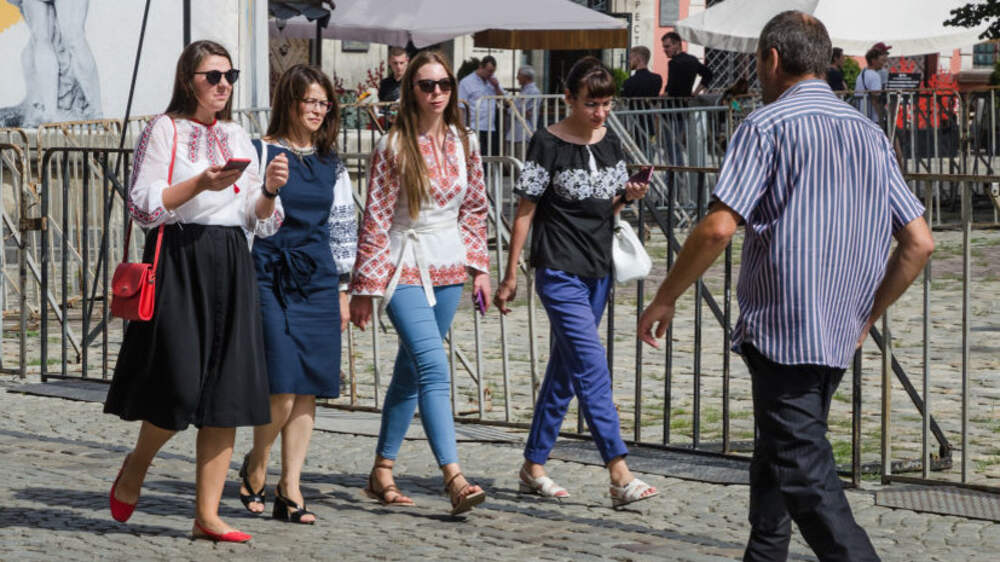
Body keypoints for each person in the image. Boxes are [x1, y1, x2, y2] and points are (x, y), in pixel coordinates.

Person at [638, 11, 933, 561]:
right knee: (779, 451)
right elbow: (919, 242)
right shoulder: (870, 133)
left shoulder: (766, 125)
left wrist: (665, 295)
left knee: (803, 470)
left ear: (772, 58)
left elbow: (719, 227)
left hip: (786, 326)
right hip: (838, 327)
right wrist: (868, 314)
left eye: (757, 61)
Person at [104, 40, 287, 543]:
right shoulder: (164, 129)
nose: (224, 84)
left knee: (227, 392)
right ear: (189, 80)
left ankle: (207, 516)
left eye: (230, 75)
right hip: (179, 258)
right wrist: (200, 185)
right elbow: (143, 205)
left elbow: (258, 219)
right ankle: (137, 464)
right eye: (213, 76)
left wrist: (269, 192)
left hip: (231, 259)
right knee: (180, 385)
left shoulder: (237, 134)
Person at [494, 56, 658, 509]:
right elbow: (526, 208)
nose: (600, 113)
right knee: (591, 364)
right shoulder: (546, 142)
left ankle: (533, 465)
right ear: (569, 99)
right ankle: (619, 472)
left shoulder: (610, 141)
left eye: (606, 104)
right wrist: (511, 272)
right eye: (591, 104)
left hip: (598, 269)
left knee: (565, 371)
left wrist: (628, 195)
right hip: (558, 267)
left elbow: (608, 205)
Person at [349, 50, 491, 516]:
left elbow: (475, 208)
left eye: (444, 84)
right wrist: (365, 288)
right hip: (402, 263)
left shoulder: (465, 142)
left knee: (410, 371)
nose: (436, 93)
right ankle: (454, 477)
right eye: (427, 85)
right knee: (432, 366)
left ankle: (382, 470)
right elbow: (375, 220)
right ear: (410, 89)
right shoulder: (392, 146)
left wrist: (480, 267)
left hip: (448, 263)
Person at [236, 64, 357, 525]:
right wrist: (270, 186)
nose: (318, 110)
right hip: (268, 275)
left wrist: (343, 289)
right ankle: (257, 463)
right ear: (290, 102)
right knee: (283, 385)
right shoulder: (259, 151)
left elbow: (342, 226)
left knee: (309, 387)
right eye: (311, 101)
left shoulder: (332, 164)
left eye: (325, 103)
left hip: (318, 280)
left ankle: (290, 487)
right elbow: (248, 216)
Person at [458, 55, 504, 155]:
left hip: (490, 126)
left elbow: (502, 99)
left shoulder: (493, 81)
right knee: (476, 154)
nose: (490, 74)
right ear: (480, 67)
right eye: (489, 71)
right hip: (474, 126)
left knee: (490, 154)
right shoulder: (466, 82)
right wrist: (461, 128)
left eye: (493, 71)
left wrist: (496, 86)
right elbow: (461, 106)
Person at [661, 31, 713, 99]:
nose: (665, 50)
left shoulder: (674, 63)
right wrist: (695, 93)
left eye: (667, 46)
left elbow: (671, 87)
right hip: (686, 101)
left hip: (674, 102)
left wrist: (665, 94)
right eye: (664, 47)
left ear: (677, 44)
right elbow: (708, 74)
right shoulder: (692, 59)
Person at [507, 65, 541, 156]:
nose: (517, 77)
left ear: (526, 77)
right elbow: (513, 110)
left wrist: (515, 110)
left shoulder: (533, 91)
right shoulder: (524, 90)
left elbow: (516, 109)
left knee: (522, 159)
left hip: (525, 132)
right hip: (515, 132)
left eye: (519, 75)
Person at [855, 47, 886, 124]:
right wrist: (881, 116)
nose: (883, 63)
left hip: (860, 114)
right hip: (872, 117)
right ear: (873, 60)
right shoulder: (875, 76)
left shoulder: (861, 74)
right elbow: (875, 97)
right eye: (881, 60)